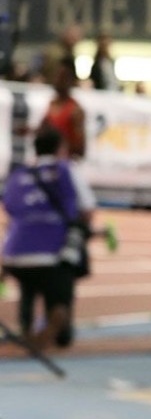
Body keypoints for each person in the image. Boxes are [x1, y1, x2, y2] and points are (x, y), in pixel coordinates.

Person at [2, 128, 88, 348]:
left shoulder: (18, 174)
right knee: (59, 294)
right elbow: (87, 208)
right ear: (60, 148)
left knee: (28, 283)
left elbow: (9, 208)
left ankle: (27, 329)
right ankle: (53, 331)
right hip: (52, 254)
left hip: (14, 253)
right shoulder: (66, 169)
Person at [41, 67, 86, 159]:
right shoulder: (51, 104)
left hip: (66, 159)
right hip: (49, 157)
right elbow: (43, 129)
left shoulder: (76, 110)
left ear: (70, 82)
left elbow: (80, 147)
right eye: (56, 78)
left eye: (62, 79)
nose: (58, 81)